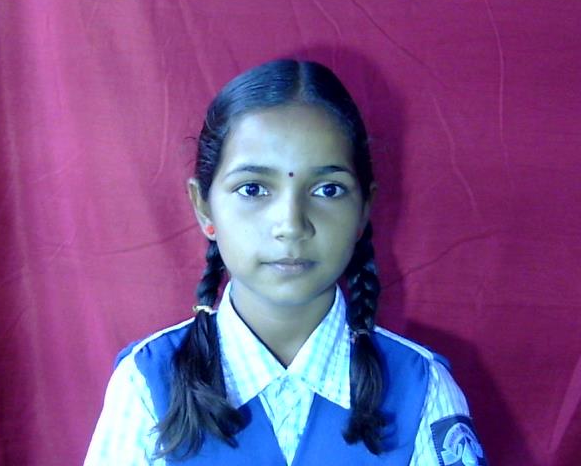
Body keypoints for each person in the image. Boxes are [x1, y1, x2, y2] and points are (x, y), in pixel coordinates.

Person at [84, 59, 487, 465]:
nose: (291, 225)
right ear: (204, 206)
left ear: (364, 209)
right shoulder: (147, 386)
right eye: (253, 189)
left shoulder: (421, 389)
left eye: (328, 190)